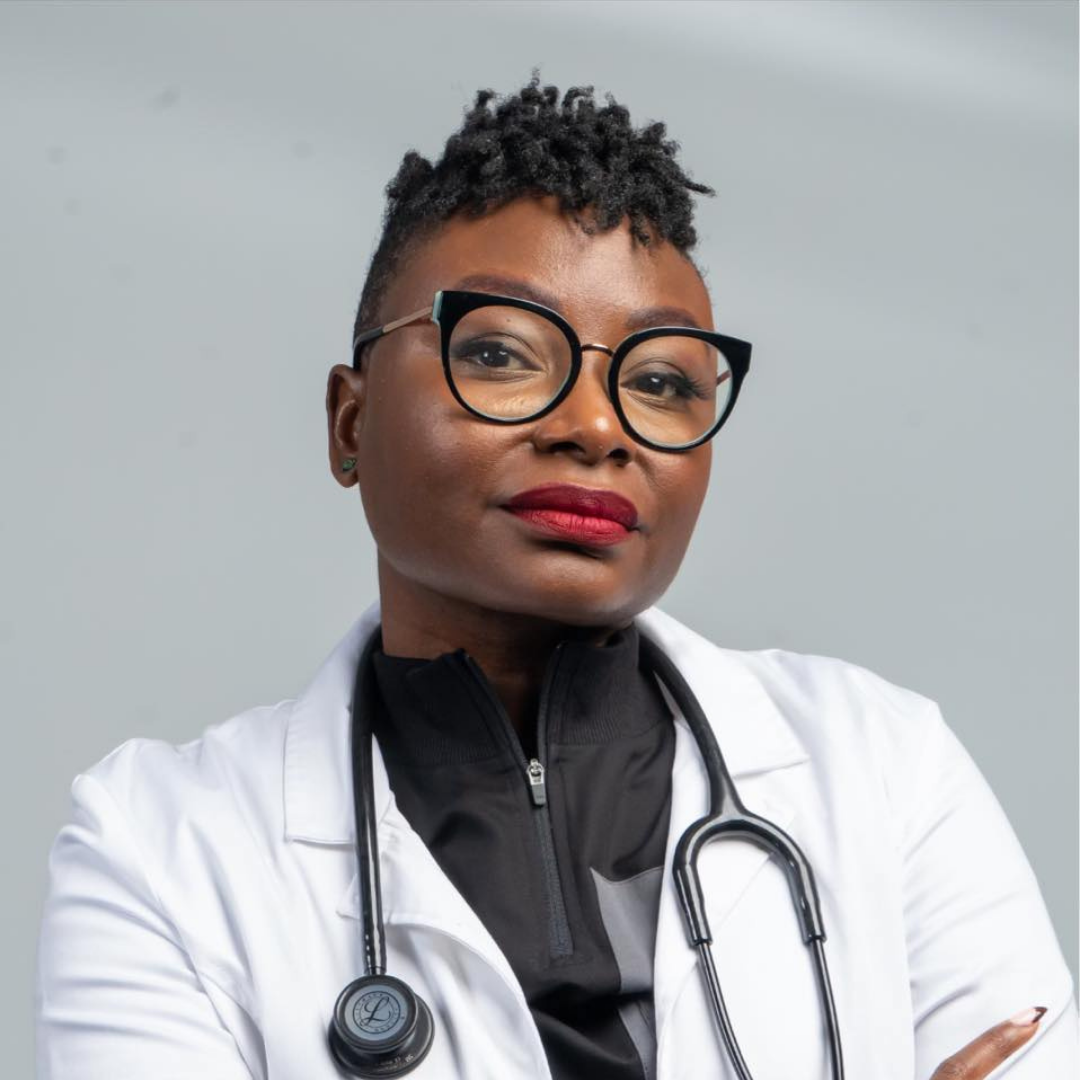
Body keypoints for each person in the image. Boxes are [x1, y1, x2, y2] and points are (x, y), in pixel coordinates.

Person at [35, 72, 1077, 1080]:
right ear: (351, 423)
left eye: (661, 380)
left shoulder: (884, 769)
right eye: (500, 354)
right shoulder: (161, 847)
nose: (595, 425)